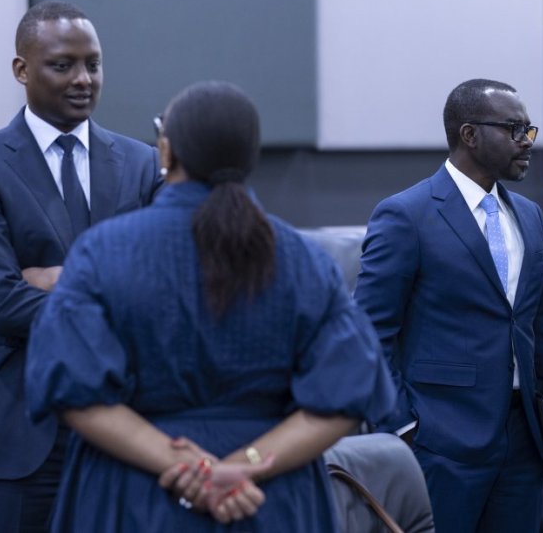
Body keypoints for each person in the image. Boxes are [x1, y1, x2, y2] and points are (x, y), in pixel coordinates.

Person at [24, 80, 396, 531]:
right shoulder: (305, 260)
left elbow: (74, 391)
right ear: (249, 157)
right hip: (269, 499)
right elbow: (346, 397)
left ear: (166, 151)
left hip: (133, 495)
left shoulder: (101, 252)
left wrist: (189, 467)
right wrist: (241, 467)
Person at [0, 1, 162, 532]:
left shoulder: (142, 164)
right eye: (62, 65)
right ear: (21, 70)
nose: (83, 79)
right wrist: (114, 296)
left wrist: (59, 279)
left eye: (93, 64)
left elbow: (165, 291)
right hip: (16, 430)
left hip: (125, 428)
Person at [354, 78, 543, 533]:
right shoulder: (406, 215)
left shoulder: (529, 215)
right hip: (438, 441)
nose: (527, 141)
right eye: (514, 129)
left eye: (528, 129)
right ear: (470, 134)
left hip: (523, 440)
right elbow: (368, 335)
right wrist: (402, 429)